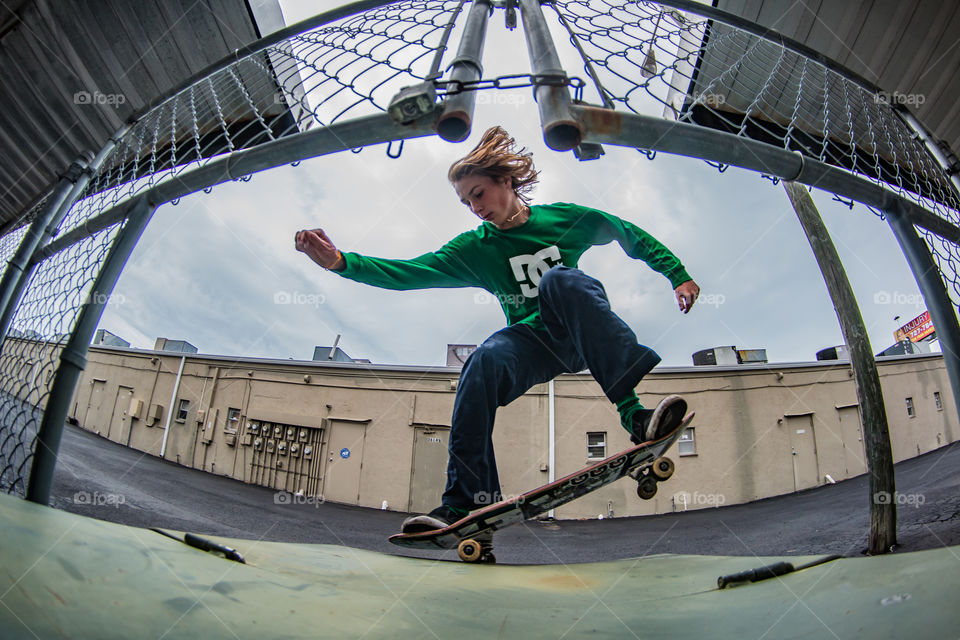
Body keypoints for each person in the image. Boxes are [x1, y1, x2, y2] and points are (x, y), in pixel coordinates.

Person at [295, 126, 700, 534]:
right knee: (481, 361)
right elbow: (410, 272)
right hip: (532, 346)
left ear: (505, 181)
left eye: (478, 194)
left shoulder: (562, 219)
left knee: (560, 280)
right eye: (466, 202)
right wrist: (340, 262)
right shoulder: (475, 248)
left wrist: (676, 273)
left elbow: (624, 231)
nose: (475, 208)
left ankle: (633, 415)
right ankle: (466, 502)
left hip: (579, 328)